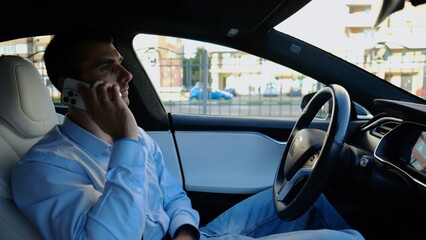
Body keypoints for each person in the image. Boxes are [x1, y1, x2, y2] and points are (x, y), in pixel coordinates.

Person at [11, 28, 364, 240]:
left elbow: (174, 197)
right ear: (70, 88)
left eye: (120, 62)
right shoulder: (44, 168)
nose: (126, 75)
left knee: (307, 190)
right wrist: (125, 142)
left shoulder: (138, 141)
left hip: (195, 236)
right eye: (107, 67)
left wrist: (184, 231)